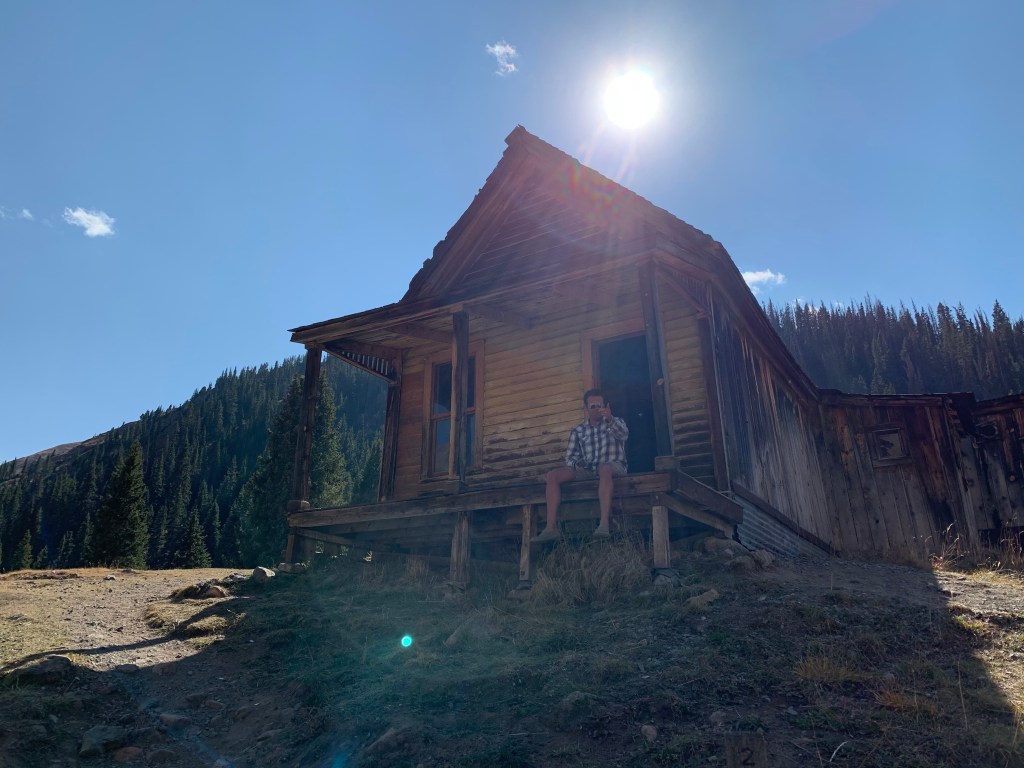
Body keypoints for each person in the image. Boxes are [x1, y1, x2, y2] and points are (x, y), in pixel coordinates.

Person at [532, 388, 628, 542]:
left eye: (599, 405)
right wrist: (577, 464)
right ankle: (551, 528)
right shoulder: (578, 430)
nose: (596, 409)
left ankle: (604, 524)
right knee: (552, 475)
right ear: (586, 408)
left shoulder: (615, 422)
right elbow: (570, 457)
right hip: (588, 470)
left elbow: (624, 435)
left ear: (605, 406)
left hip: (614, 467)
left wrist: (610, 419)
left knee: (604, 468)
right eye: (592, 406)